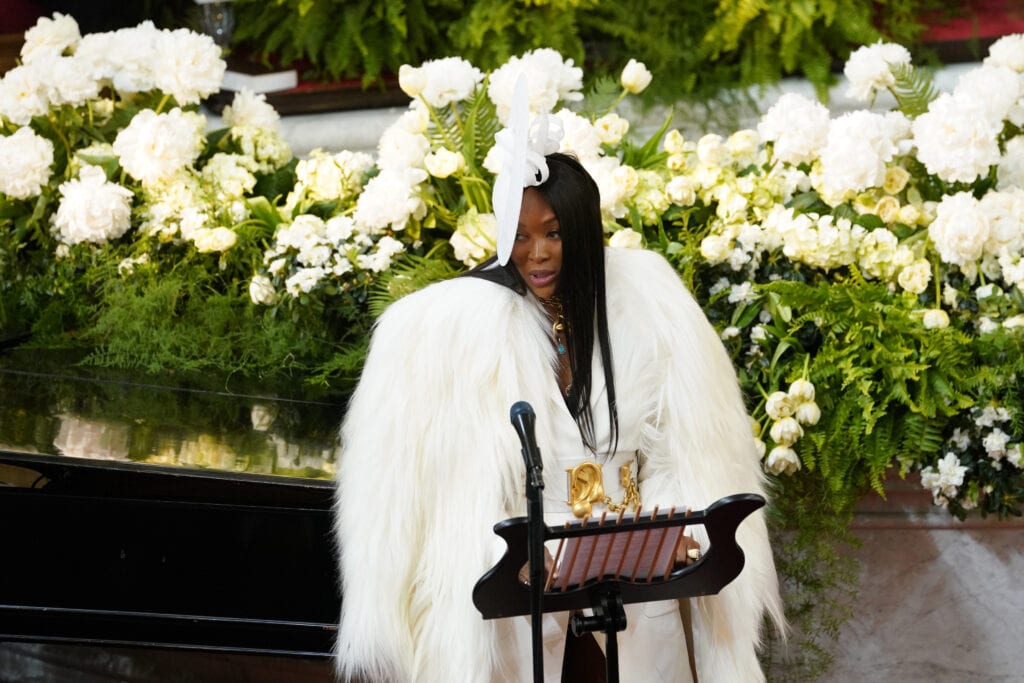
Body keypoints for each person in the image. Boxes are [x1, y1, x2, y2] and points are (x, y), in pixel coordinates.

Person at [335, 102, 784, 681]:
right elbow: (457, 491)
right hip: (527, 568)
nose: (538, 253)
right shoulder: (453, 328)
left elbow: (689, 449)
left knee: (657, 644)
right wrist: (515, 554)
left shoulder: (649, 301)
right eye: (520, 236)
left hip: (636, 552)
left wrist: (674, 534)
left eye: (553, 233)